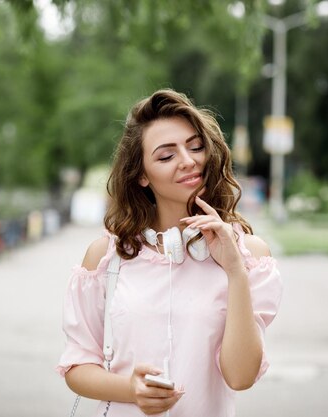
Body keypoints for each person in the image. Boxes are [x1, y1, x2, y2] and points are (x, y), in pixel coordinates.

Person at [56, 89, 282, 416]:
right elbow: (77, 364)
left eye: (195, 147)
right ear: (142, 175)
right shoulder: (107, 257)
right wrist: (130, 389)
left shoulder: (249, 255)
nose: (188, 161)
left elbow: (240, 376)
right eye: (166, 156)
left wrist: (235, 271)